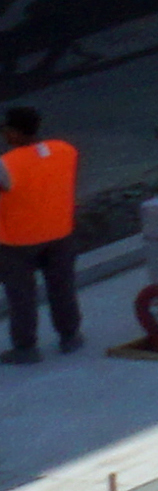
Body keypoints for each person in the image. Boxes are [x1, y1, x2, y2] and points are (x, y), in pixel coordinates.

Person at [1, 106, 77, 364]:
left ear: (14, 132)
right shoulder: (65, 150)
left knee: (22, 295)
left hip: (17, 240)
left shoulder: (7, 165)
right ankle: (70, 336)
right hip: (59, 233)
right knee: (62, 287)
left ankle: (25, 347)